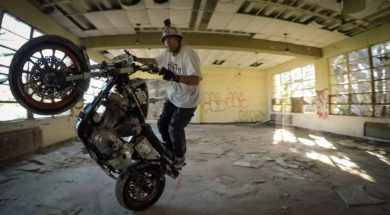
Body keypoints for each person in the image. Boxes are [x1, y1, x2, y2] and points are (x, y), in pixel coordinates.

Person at [134, 19, 202, 168]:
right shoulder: (166, 54)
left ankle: (179, 157)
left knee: (174, 127)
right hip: (173, 96)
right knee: (162, 123)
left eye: (171, 39)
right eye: (165, 40)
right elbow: (153, 61)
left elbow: (196, 79)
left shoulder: (189, 54)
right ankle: (169, 148)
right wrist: (135, 59)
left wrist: (175, 77)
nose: (167, 43)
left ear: (178, 39)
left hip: (187, 100)